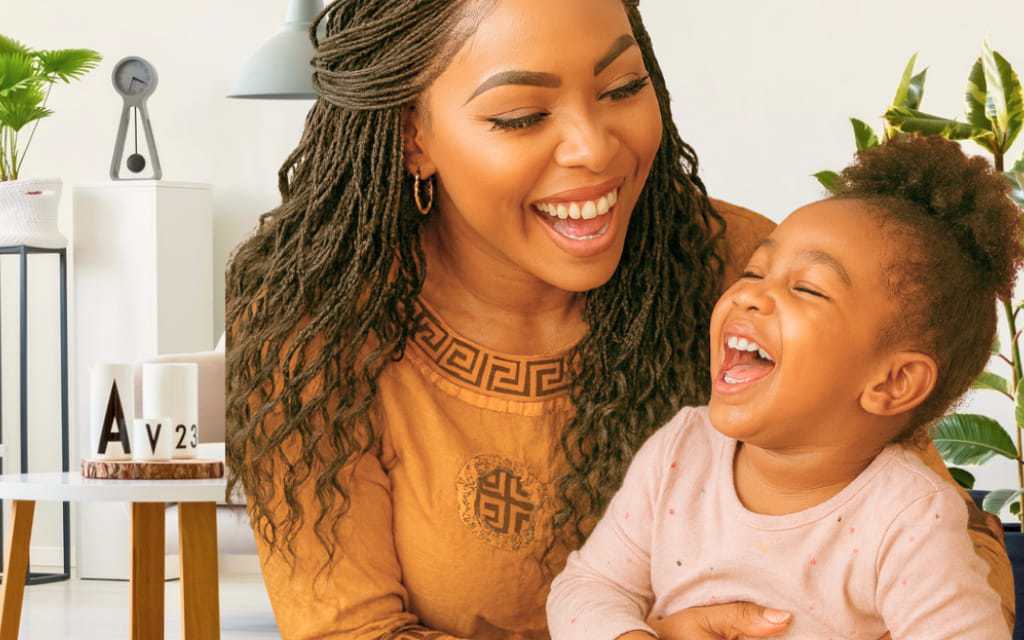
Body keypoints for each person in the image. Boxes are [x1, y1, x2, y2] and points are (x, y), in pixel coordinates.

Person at [223, 1, 1014, 638]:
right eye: (521, 116)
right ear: (411, 137)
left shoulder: (742, 270)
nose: (595, 150)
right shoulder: (316, 332)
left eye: (622, 88)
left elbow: (944, 537)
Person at [547, 135, 1019, 639]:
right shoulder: (682, 451)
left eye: (807, 288)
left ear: (893, 382)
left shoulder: (909, 520)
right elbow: (589, 586)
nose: (749, 295)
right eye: (754, 271)